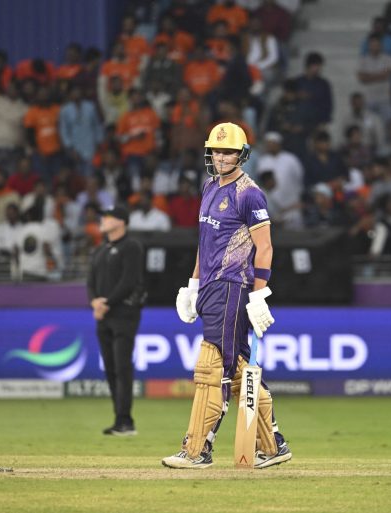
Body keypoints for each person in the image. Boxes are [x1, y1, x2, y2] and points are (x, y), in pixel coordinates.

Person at [162, 122, 291, 470]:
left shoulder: (249, 194)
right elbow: (205, 243)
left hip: (233, 286)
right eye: (216, 150)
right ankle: (273, 444)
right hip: (210, 287)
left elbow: (265, 247)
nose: (221, 157)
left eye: (229, 151)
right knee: (238, 371)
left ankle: (197, 450)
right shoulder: (208, 186)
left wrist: (259, 294)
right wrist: (192, 284)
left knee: (211, 366)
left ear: (242, 155)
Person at [86, 205, 145, 436]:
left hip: (123, 314)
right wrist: (94, 302)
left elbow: (129, 281)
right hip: (103, 316)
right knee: (110, 368)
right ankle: (119, 419)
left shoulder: (131, 247)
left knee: (122, 366)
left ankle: (126, 420)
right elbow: (90, 281)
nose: (103, 219)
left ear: (121, 221)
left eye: (108, 216)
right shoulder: (100, 250)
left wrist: (106, 303)